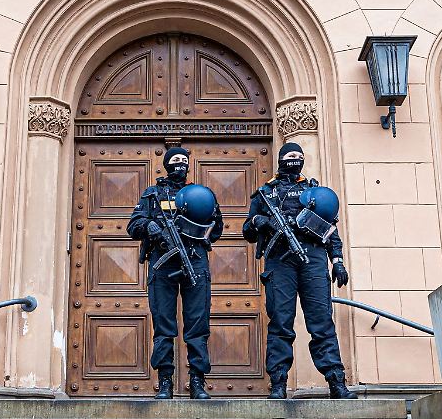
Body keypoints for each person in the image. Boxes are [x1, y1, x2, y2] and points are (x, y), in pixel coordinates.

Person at [242, 142, 357, 400]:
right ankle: (279, 383)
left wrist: (337, 260)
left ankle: (337, 383)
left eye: (299, 155)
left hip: (313, 258)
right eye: (290, 155)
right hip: (279, 261)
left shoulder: (314, 190)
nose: (296, 159)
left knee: (322, 323)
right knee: (281, 323)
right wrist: (261, 221)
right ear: (281, 159)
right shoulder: (265, 194)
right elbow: (247, 231)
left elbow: (330, 230)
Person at [127, 146, 224, 399]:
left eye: (184, 160)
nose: (180, 163)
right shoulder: (153, 194)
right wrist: (151, 226)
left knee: (198, 324)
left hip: (195, 261)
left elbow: (217, 230)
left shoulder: (202, 194)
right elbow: (133, 224)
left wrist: (203, 221)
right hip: (163, 261)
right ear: (166, 164)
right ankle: (165, 381)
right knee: (164, 324)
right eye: (175, 160)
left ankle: (197, 381)